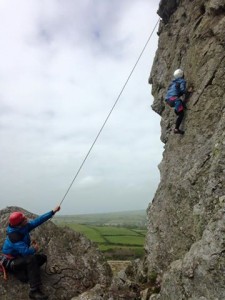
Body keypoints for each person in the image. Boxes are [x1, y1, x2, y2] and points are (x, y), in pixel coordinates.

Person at [1, 206, 61, 300]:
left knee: (42, 258)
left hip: (18, 258)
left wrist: (52, 212)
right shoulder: (14, 236)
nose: (26, 219)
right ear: (19, 224)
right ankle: (34, 291)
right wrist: (34, 249)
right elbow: (26, 252)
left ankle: (23, 272)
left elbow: (38, 220)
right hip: (11, 261)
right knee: (31, 259)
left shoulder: (23, 226)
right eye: (24, 219)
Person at [165, 69, 193, 134]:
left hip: (168, 100)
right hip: (174, 99)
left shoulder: (173, 83)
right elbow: (182, 90)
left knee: (180, 104)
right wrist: (188, 91)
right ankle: (176, 129)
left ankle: (177, 111)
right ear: (182, 74)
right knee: (181, 114)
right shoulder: (181, 81)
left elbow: (176, 92)